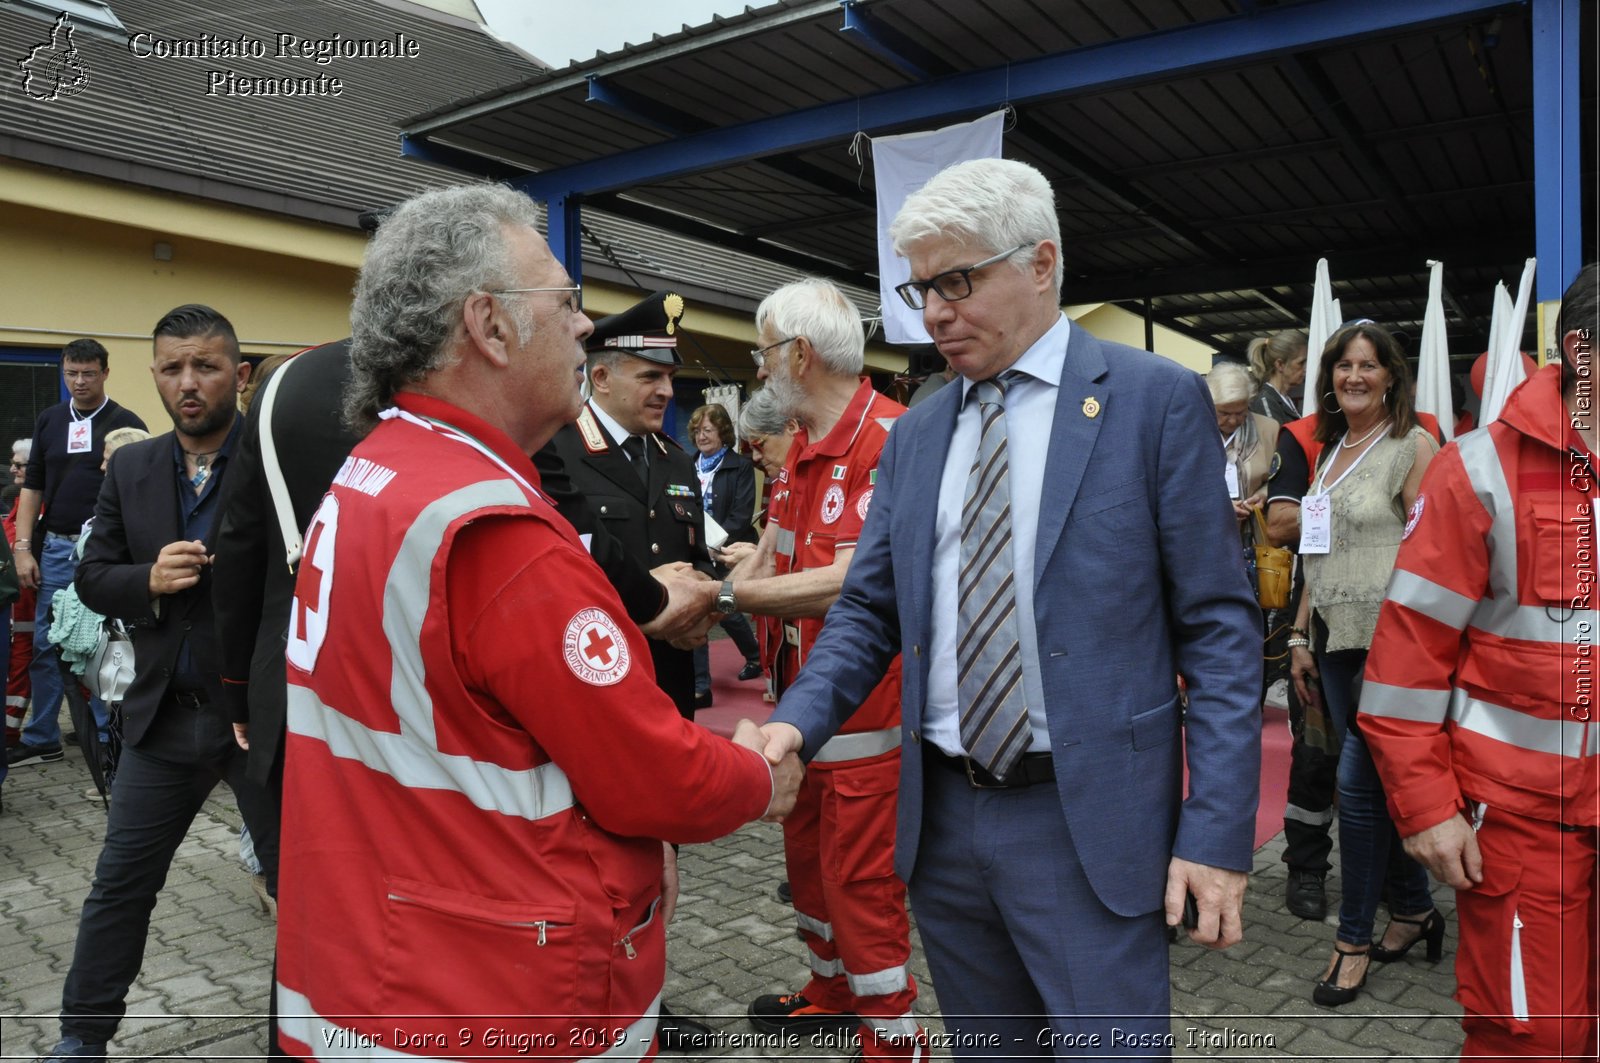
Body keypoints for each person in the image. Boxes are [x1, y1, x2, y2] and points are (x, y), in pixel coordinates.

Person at [274, 183, 797, 1062]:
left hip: (377, 961)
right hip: (496, 989)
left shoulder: (380, 467)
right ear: (490, 323)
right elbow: (645, 776)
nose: (585, 328)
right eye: (566, 303)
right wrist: (754, 774)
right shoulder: (494, 530)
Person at [755, 158, 1262, 1057]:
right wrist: (793, 725)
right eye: (920, 288)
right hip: (944, 825)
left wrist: (1216, 832)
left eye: (957, 280)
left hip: (1087, 822)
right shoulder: (918, 433)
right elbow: (870, 612)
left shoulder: (1151, 401)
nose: (935, 311)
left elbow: (1220, 632)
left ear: (1040, 262)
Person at [1360, 263, 1598, 1060]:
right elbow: (1405, 663)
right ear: (1580, 352)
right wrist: (1426, 805)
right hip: (1529, 829)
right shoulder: (1477, 469)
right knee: (1531, 1043)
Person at [37, 305, 279, 1063]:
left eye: (205, 366)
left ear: (237, 376)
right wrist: (149, 578)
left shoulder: (273, 462)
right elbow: (92, 574)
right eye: (173, 367)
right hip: (164, 719)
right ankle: (82, 1036)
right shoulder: (135, 466)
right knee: (120, 885)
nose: (188, 382)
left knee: (307, 896)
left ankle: (301, 1040)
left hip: (259, 726)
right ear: (154, 374)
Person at [718, 280, 920, 1058]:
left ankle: (894, 1043)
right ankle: (830, 992)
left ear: (798, 355)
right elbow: (779, 546)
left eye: (763, 350)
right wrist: (729, 589)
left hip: (869, 720)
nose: (758, 366)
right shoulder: (801, 442)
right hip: (800, 711)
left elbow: (857, 578)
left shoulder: (891, 439)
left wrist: (734, 592)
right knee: (809, 874)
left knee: (862, 889)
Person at [1285, 320, 1440, 1007]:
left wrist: (1421, 649)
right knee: (1379, 787)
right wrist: (1297, 636)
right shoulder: (1330, 449)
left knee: (1355, 786)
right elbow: (1317, 549)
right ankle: (1412, 909)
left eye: (1367, 366)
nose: (1354, 376)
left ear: (1391, 376)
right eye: (1343, 365)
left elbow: (1435, 555)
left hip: (1392, 645)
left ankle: (1351, 941)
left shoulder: (1413, 445)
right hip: (1335, 641)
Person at [537, 290, 716, 715]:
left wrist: (699, 608)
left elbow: (698, 555)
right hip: (595, 679)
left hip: (670, 681)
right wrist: (651, 598)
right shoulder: (553, 450)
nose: (667, 391)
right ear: (600, 378)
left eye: (670, 377)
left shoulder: (676, 460)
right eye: (650, 377)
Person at [8, 340, 146, 768]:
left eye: (88, 373)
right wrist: (22, 549)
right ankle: (43, 735)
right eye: (72, 373)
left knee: (108, 646)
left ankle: (110, 740)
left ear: (105, 372)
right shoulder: (50, 420)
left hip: (104, 554)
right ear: (63, 372)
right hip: (53, 550)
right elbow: (31, 489)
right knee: (48, 646)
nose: (79, 382)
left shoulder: (126, 423)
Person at [689, 402, 762, 693]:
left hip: (728, 551)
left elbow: (741, 515)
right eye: (697, 430)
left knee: (724, 608)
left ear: (723, 433)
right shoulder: (686, 463)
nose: (701, 436)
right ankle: (700, 686)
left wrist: (715, 547)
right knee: (702, 607)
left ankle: (754, 656)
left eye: (707, 430)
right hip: (695, 548)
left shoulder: (741, 466)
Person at [1207, 361, 1280, 523]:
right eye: (1224, 413)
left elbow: (1279, 480)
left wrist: (1263, 495)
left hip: (1254, 530)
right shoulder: (1194, 433)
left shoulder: (1269, 429)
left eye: (1240, 412)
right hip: (1208, 527)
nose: (1233, 421)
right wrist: (1218, 505)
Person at [6, 439, 36, 749]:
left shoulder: (37, 503)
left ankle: (10, 731)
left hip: (28, 600)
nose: (12, 468)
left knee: (22, 660)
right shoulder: (20, 502)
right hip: (19, 601)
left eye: (19, 464)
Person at [1247, 329, 1308, 424]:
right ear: (1280, 365)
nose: (1305, 369)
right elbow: (1276, 438)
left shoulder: (1284, 399)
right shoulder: (1266, 402)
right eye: (1301, 363)